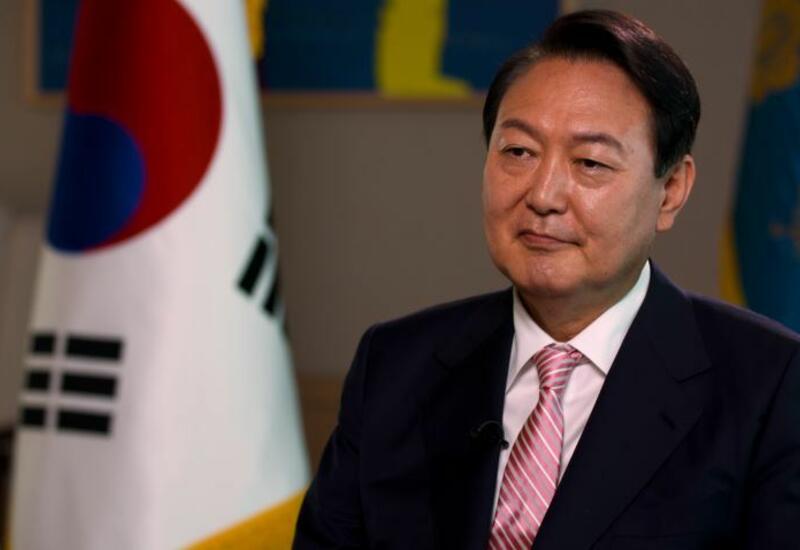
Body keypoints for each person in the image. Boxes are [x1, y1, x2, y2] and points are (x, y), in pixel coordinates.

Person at [293, 9, 800, 550]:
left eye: (590, 163)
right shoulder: (395, 367)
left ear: (671, 190)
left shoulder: (771, 384)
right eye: (519, 152)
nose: (543, 196)